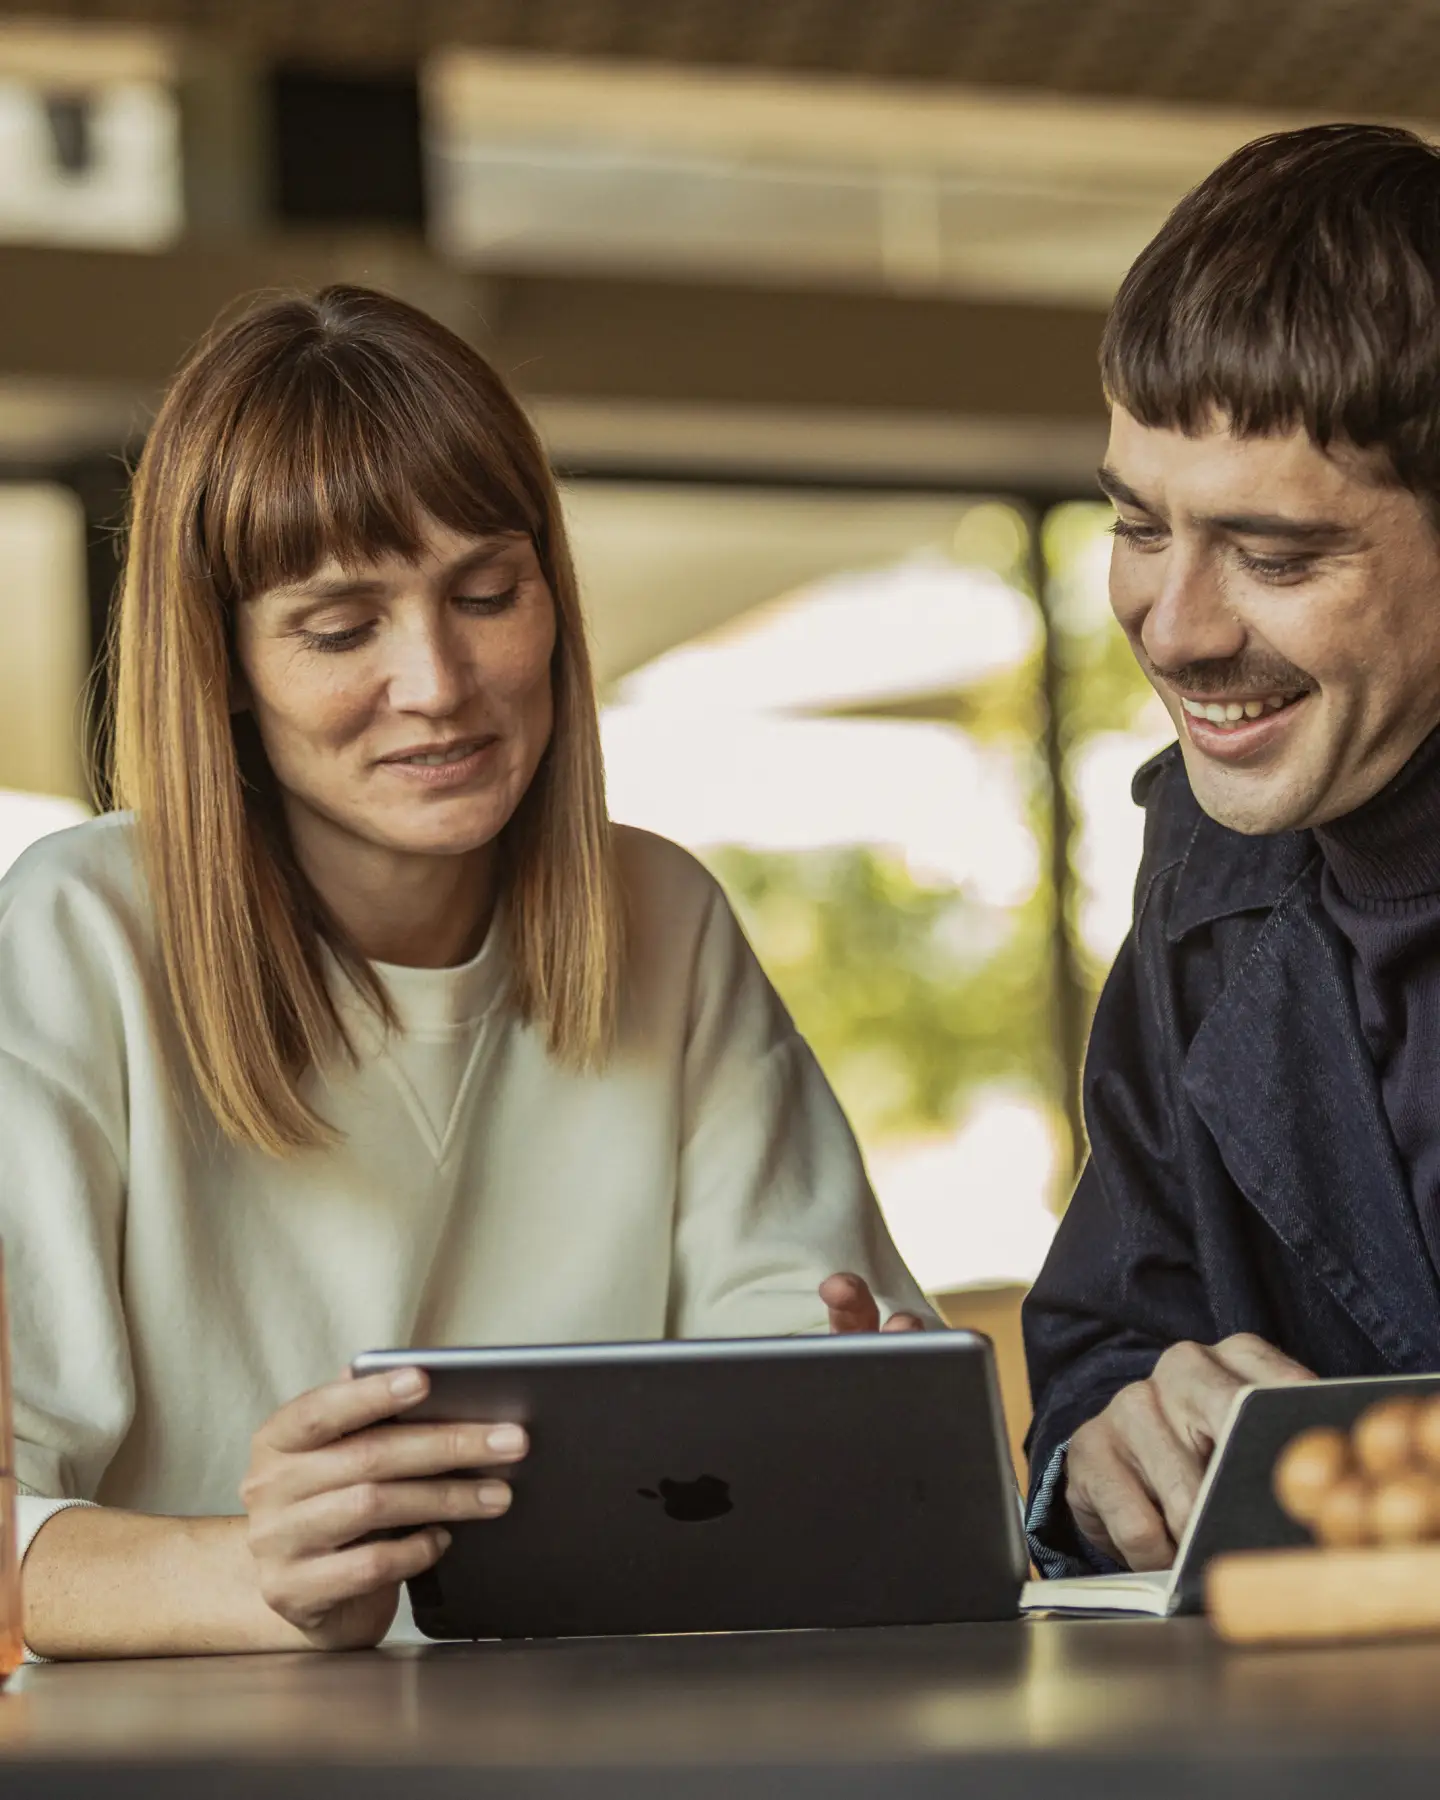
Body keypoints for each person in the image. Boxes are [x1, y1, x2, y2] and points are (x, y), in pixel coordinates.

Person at [3, 285, 931, 1661]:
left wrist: (862, 1412)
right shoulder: (77, 935)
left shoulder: (661, 917)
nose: (438, 681)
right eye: (339, 629)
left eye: (486, 594)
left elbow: (794, 1415)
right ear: (226, 667)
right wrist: (265, 1574)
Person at [1024, 123, 1440, 1578]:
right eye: (1138, 524)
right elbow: (1106, 1344)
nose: (1175, 626)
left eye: (1275, 557)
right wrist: (1105, 1457)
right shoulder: (1197, 861)